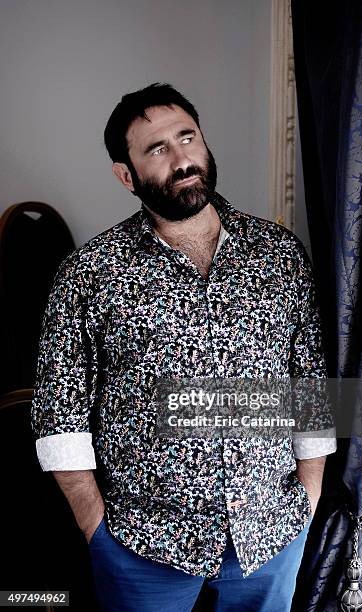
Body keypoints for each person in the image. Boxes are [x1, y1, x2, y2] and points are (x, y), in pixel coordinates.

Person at [31, 83, 336, 612]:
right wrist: (95, 525)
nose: (181, 159)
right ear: (126, 175)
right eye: (157, 149)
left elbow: (308, 384)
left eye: (187, 137)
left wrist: (306, 504)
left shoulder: (279, 253)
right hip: (141, 544)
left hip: (270, 535)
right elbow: (59, 411)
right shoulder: (91, 272)